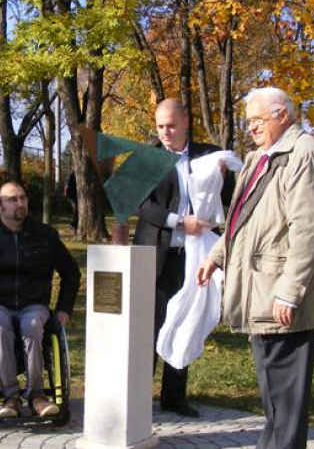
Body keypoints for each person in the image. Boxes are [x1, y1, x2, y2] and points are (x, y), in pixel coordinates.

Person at [197, 87, 314, 449]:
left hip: (280, 295)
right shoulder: (261, 156)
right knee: (275, 399)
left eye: (258, 120)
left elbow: (309, 230)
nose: (252, 129)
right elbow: (239, 218)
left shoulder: (302, 153)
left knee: (285, 402)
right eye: (249, 123)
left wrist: (290, 293)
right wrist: (216, 257)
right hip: (262, 290)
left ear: (283, 115)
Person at [133, 98, 227, 418]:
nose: (165, 132)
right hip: (155, 255)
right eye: (160, 126)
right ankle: (139, 396)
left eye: (171, 125)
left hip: (195, 255)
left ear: (186, 122)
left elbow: (228, 197)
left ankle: (174, 397)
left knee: (185, 319)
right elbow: (141, 205)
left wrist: (225, 177)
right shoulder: (147, 157)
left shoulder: (210, 155)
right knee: (150, 325)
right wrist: (178, 221)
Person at [0, 181, 81, 419]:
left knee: (33, 325)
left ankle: (37, 395)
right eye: (13, 199)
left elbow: (71, 273)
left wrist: (64, 308)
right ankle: (10, 396)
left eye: (23, 198)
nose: (20, 203)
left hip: (33, 304)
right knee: (0, 326)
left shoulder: (45, 235)